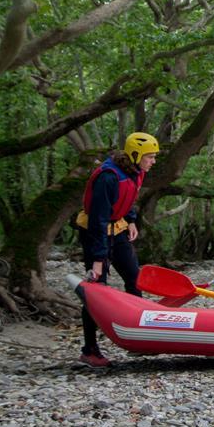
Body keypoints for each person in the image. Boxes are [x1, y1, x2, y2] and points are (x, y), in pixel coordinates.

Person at [78, 131, 160, 368]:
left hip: (119, 228)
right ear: (136, 155)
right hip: (96, 232)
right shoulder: (108, 177)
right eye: (150, 157)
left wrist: (132, 220)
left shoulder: (136, 171)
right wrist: (97, 258)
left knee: (135, 280)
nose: (153, 161)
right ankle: (89, 349)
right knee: (96, 290)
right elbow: (97, 220)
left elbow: (130, 199)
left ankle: (139, 339)